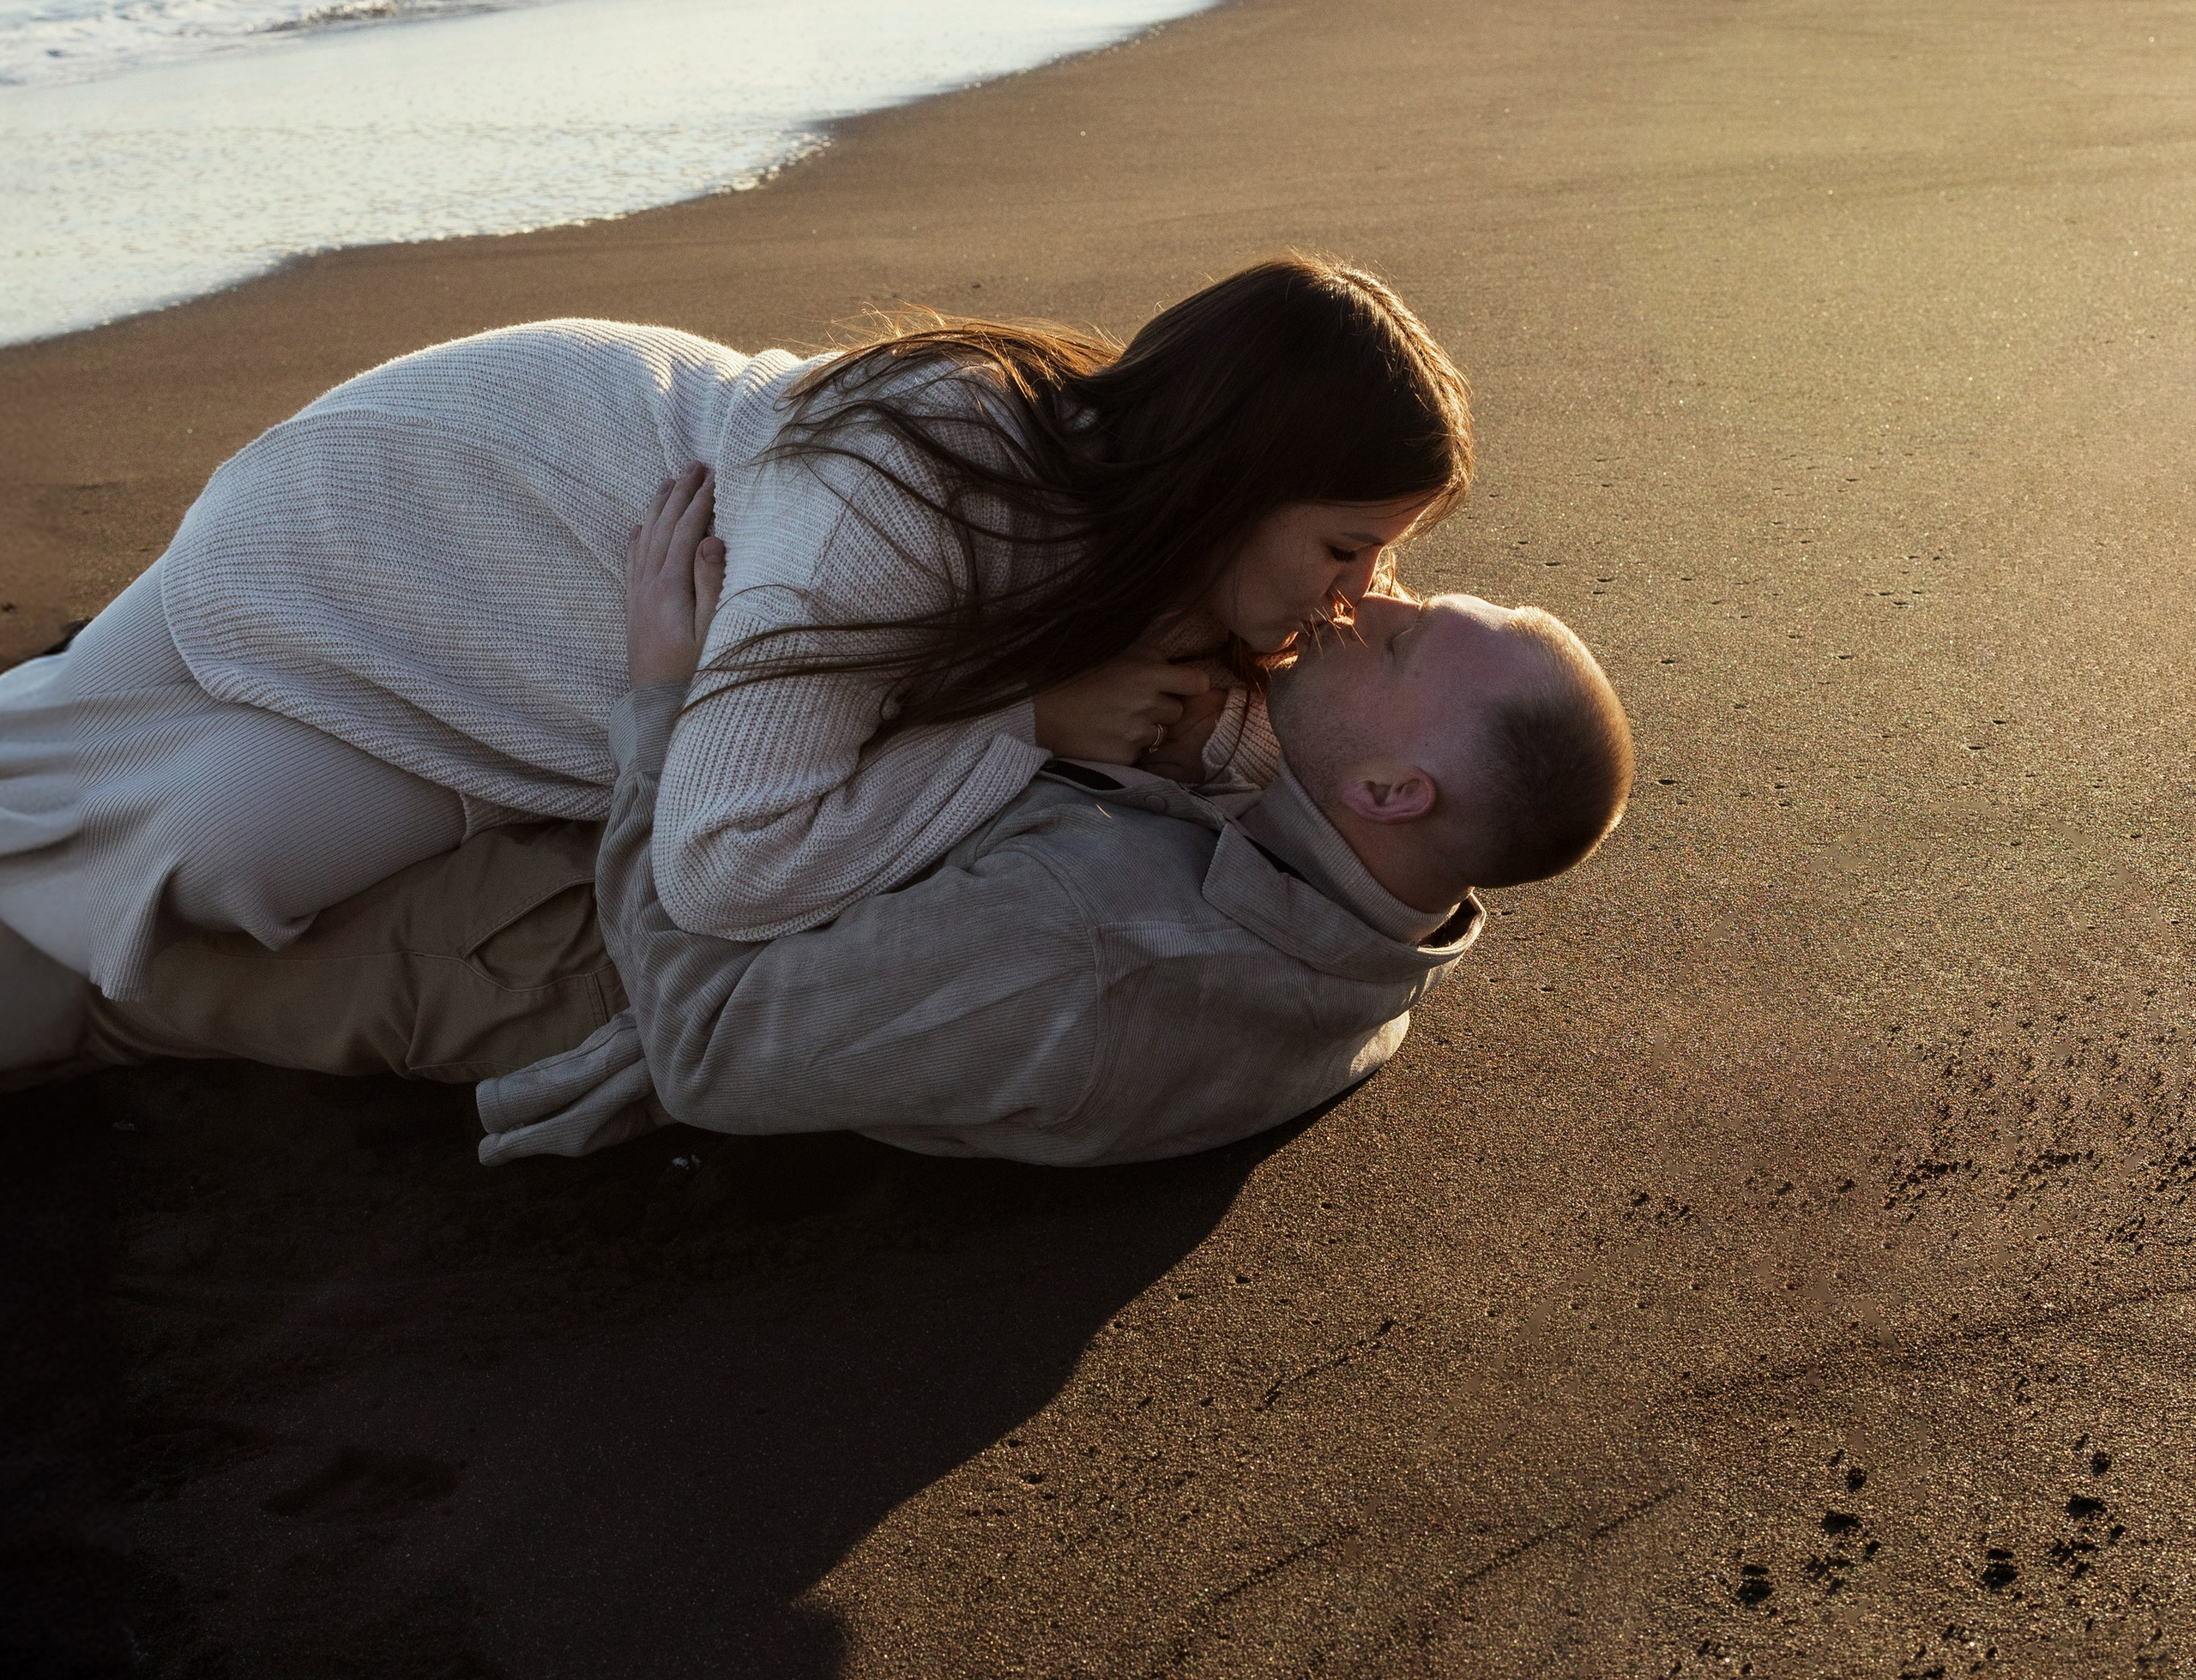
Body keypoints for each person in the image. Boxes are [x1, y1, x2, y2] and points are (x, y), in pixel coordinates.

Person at [0, 257, 1471, 1026]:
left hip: (548, 582)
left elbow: (1240, 754)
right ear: (1232, 479)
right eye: (1348, 547)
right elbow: (722, 869)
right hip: (398, 522)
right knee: (183, 835)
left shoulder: (1154, 540)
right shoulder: (907, 490)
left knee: (209, 838)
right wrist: (1020, 724)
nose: (1363, 592)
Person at [12, 481, 1634, 1171]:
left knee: (98, 955)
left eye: (1412, 640)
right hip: (765, 850)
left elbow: (710, 1039)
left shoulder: (1110, 957)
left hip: (577, 951)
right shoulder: (1366, 900)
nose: (1382, 601)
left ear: (1397, 791)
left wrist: (664, 696)